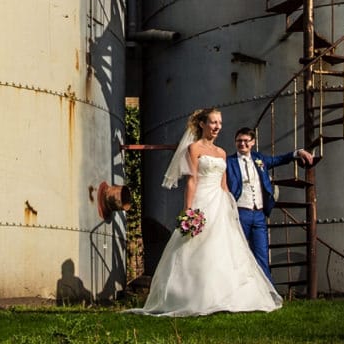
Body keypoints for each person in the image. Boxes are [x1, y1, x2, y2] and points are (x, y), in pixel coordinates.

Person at [130, 106, 282, 316]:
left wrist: (230, 207)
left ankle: (227, 296)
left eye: (219, 123)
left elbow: (224, 185)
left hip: (220, 202)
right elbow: (192, 181)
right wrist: (188, 211)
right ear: (202, 124)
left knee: (223, 248)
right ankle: (191, 296)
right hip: (202, 200)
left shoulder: (221, 153)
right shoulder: (194, 149)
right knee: (196, 248)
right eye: (213, 122)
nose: (217, 127)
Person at [226, 127, 315, 282]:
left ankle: (268, 292)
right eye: (239, 141)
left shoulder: (259, 159)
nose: (242, 144)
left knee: (262, 254)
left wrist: (298, 152)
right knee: (237, 253)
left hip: (259, 214)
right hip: (240, 213)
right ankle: (235, 290)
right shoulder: (229, 162)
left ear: (252, 142)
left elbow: (279, 159)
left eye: (246, 141)